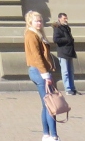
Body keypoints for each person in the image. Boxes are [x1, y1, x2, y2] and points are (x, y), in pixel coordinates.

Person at [25, 11, 59, 140]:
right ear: (30, 22)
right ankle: (53, 136)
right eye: (36, 21)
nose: (39, 23)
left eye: (40, 21)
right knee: (50, 105)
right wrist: (45, 74)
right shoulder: (31, 35)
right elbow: (37, 56)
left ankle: (46, 134)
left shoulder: (37, 34)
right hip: (39, 71)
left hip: (39, 71)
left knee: (46, 105)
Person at [52, 13, 77, 95]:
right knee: (65, 71)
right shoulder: (57, 28)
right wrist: (67, 39)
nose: (66, 20)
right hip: (63, 52)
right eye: (64, 18)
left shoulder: (67, 27)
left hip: (69, 52)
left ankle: (72, 88)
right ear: (59, 19)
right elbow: (55, 39)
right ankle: (68, 89)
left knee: (71, 71)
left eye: (66, 18)